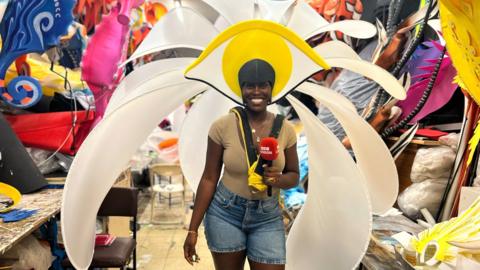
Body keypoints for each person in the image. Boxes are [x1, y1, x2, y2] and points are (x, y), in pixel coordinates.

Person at [183, 59, 300, 270]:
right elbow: (209, 178)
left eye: (263, 85)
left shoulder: (286, 129)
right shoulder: (222, 126)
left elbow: (294, 176)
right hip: (225, 213)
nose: (256, 91)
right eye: (249, 85)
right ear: (241, 89)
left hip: (267, 217)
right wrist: (192, 230)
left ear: (271, 89)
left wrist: (278, 179)